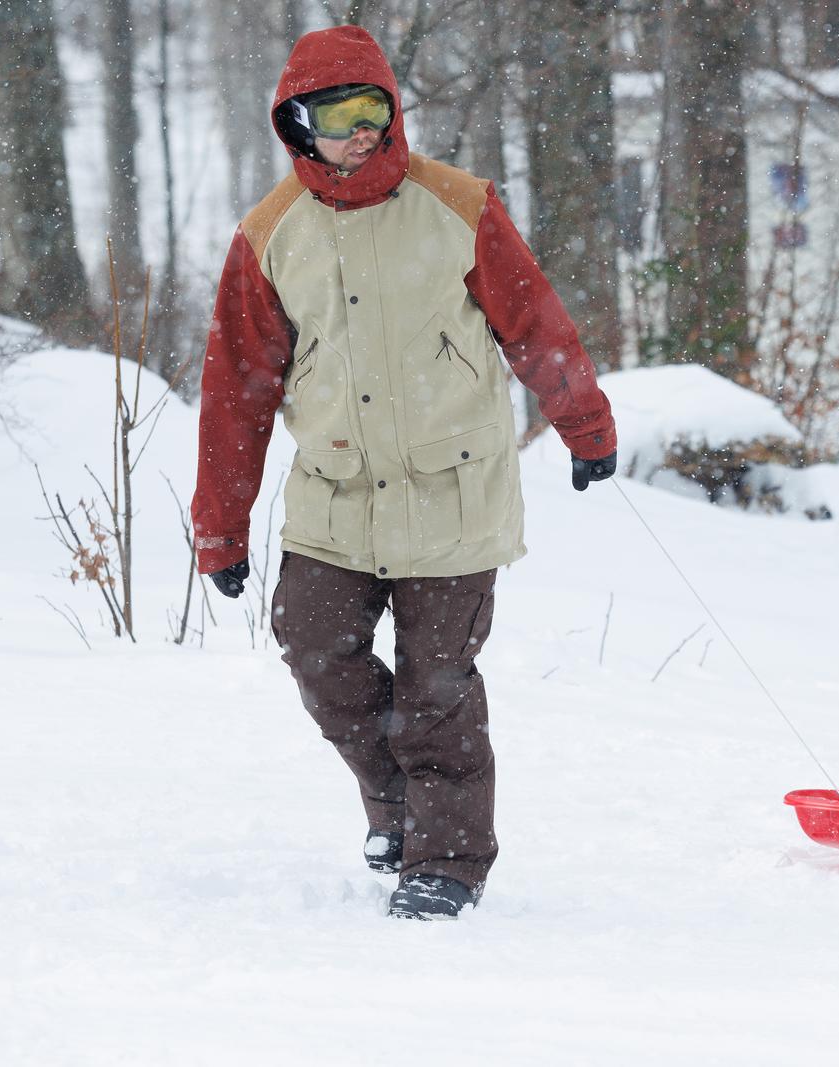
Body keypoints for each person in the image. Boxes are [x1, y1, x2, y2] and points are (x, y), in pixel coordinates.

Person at [190, 26, 617, 920]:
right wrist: (221, 524)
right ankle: (398, 806)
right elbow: (238, 389)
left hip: (451, 491)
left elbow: (533, 323)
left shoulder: (458, 205)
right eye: (338, 115)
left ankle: (449, 861)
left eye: (373, 110)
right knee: (313, 646)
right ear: (297, 125)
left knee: (437, 687)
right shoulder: (269, 235)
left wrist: (583, 424)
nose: (359, 132)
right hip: (336, 496)